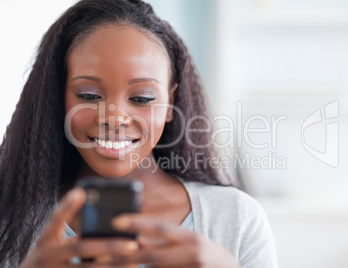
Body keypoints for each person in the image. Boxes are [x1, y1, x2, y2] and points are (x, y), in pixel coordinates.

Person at [0, 0, 278, 267]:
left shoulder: (236, 217)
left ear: (170, 102)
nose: (114, 118)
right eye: (88, 95)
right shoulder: (11, 220)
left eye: (142, 98)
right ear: (58, 98)